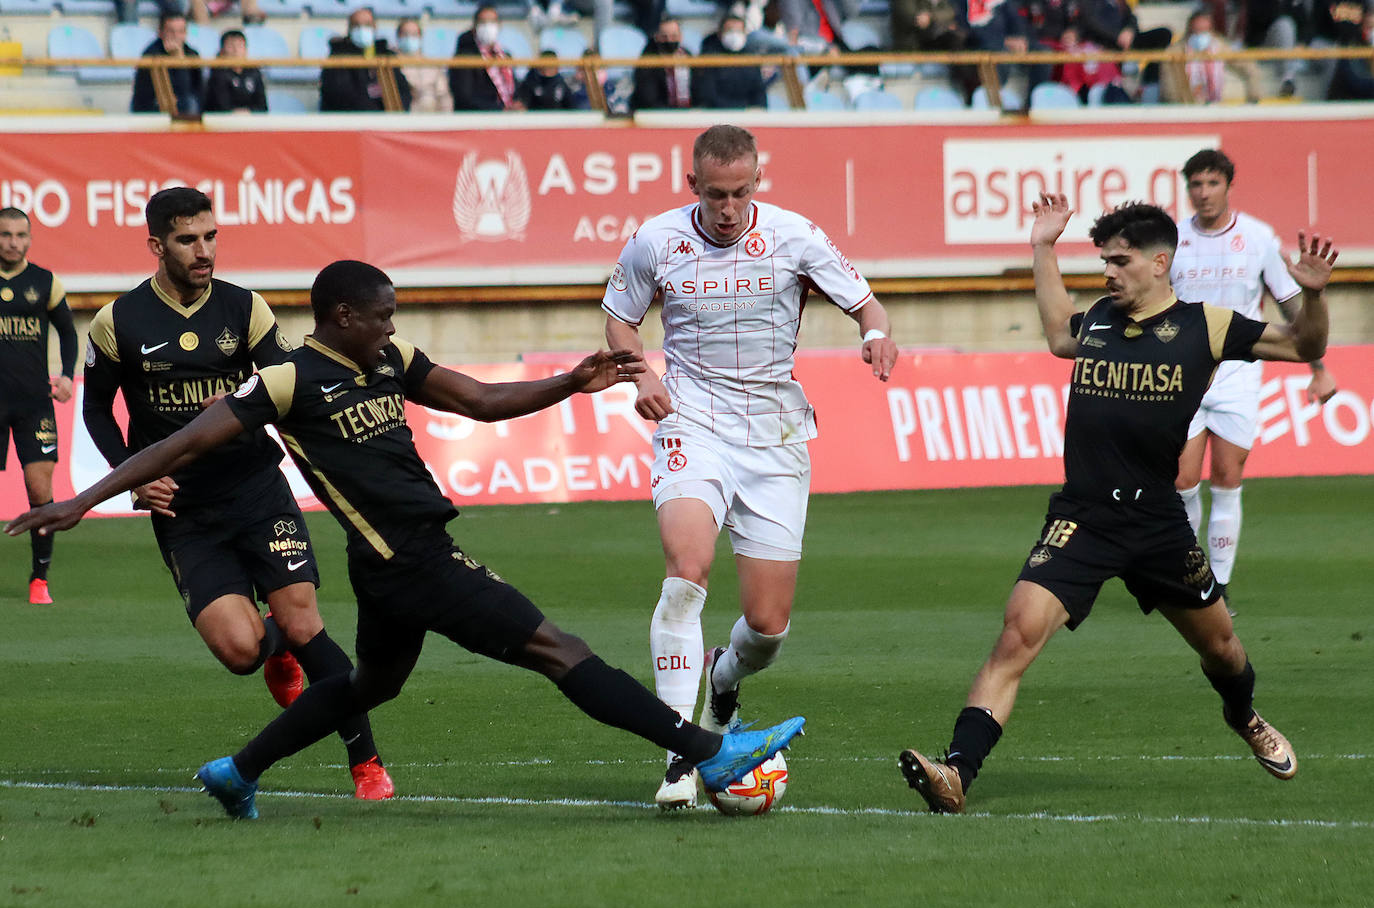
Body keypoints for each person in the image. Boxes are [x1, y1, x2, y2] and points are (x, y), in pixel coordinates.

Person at [7, 260, 808, 821]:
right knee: (558, 650)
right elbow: (176, 444)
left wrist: (570, 381)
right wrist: (80, 498)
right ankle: (709, 749)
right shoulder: (289, 379)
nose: (393, 326)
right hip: (410, 559)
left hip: (392, 562)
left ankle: (237, 770)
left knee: (369, 687)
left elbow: (481, 400)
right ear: (342, 317)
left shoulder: (388, 357)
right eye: (382, 313)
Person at [899, 193, 1336, 814]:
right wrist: (1042, 247)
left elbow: (1301, 346)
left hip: (1158, 521)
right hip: (1083, 515)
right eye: (1103, 260)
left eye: (1120, 260)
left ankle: (1244, 716)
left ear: (1161, 263)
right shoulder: (1100, 318)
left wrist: (1314, 296)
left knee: (1222, 649)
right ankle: (956, 773)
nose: (1108, 272)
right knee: (1015, 636)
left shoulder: (1204, 325)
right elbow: (1056, 333)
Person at [602, 125, 898, 809]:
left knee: (767, 628)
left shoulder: (796, 236)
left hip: (774, 434)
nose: (728, 207)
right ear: (693, 187)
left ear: (757, 182)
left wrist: (876, 335)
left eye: (739, 192)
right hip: (691, 420)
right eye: (715, 194)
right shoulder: (658, 240)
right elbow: (619, 318)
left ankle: (724, 680)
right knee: (686, 573)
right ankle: (681, 752)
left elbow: (865, 303)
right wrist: (639, 372)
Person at [79, 188, 393, 800]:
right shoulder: (116, 322)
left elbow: (289, 390)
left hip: (256, 489)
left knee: (308, 623)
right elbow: (96, 411)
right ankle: (272, 644)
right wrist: (135, 473)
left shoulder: (245, 309)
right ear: (156, 246)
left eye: (211, 237)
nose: (203, 251)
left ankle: (366, 762)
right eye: (187, 240)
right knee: (242, 651)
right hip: (186, 513)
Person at [1171, 149, 1336, 611]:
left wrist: (1317, 368)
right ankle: (1188, 568)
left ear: (1228, 185)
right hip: (1184, 375)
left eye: (1211, 183)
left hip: (1240, 373)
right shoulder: (1174, 239)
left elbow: (1290, 310)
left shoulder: (1258, 238)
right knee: (1182, 481)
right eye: (1195, 185)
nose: (1203, 193)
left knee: (1227, 476)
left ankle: (1216, 587)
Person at [0, 208, 78, 605]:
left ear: (29, 238)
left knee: (39, 488)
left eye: (20, 235)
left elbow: (67, 330)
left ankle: (39, 579)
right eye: (5, 234)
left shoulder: (45, 282)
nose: (13, 242)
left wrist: (66, 375)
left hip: (34, 403)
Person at [320, 7, 411, 112]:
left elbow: (403, 91)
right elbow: (339, 94)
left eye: (367, 25)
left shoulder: (386, 55)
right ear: (349, 29)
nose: (362, 29)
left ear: (374, 27)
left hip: (385, 120)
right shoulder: (337, 57)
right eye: (357, 25)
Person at [448, 5, 524, 111]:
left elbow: (513, 87)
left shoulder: (504, 56)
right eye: (483, 22)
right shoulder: (464, 57)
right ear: (475, 26)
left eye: (492, 22)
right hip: (480, 118)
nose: (488, 27)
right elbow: (464, 97)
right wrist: (499, 110)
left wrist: (519, 103)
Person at [131, 13, 205, 116]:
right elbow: (150, 94)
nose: (176, 36)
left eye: (181, 31)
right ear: (160, 32)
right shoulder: (150, 54)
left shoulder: (192, 54)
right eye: (171, 31)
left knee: (191, 103)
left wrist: (180, 60)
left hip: (184, 103)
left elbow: (193, 89)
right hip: (152, 104)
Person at [693, 14, 768, 109]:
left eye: (738, 31)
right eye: (730, 31)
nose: (734, 35)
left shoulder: (751, 60)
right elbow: (707, 95)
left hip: (747, 116)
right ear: (720, 34)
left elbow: (759, 94)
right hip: (717, 115)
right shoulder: (708, 59)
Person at [631, 17, 694, 111]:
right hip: (658, 114)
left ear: (680, 37)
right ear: (656, 37)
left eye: (674, 36)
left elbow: (699, 88)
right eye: (664, 37)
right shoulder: (647, 61)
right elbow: (648, 98)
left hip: (688, 113)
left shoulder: (688, 56)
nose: (669, 40)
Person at [203, 29, 268, 113]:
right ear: (222, 50)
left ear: (246, 50)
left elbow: (262, 106)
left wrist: (248, 112)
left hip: (251, 121)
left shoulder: (254, 72)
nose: (236, 51)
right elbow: (221, 106)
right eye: (231, 46)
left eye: (240, 46)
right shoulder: (217, 73)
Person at [396, 17, 454, 112]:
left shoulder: (431, 66)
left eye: (414, 34)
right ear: (398, 36)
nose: (409, 38)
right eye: (405, 34)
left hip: (431, 118)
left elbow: (444, 96)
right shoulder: (391, 65)